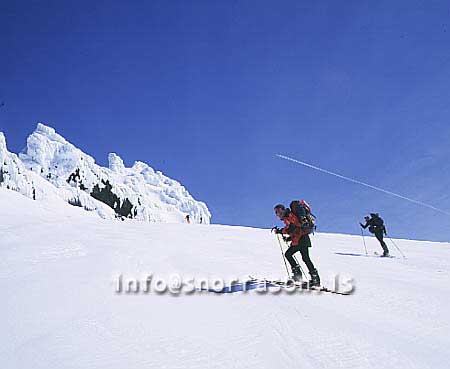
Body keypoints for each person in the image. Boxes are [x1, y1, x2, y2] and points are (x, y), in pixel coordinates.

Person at [273, 204, 320, 286]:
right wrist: (289, 238)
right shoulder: (289, 216)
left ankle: (298, 275)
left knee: (289, 254)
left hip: (301, 240)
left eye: (279, 212)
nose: (278, 214)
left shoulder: (290, 216)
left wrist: (280, 231)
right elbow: (295, 229)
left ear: (283, 210)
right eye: (276, 213)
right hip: (302, 238)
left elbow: (291, 229)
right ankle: (315, 279)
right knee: (305, 258)